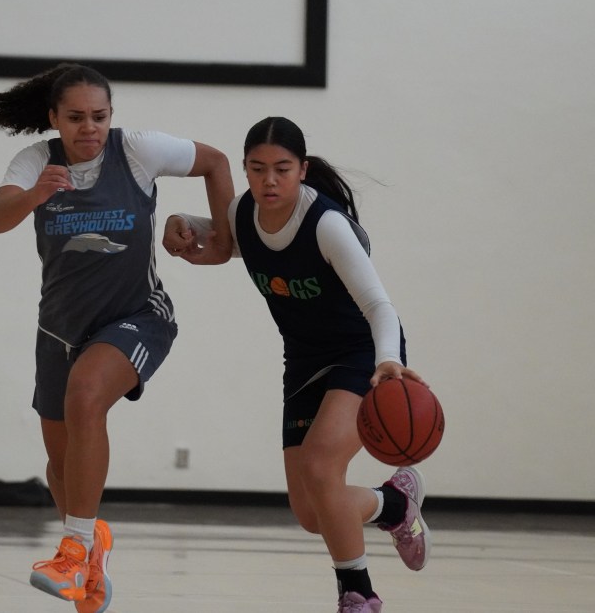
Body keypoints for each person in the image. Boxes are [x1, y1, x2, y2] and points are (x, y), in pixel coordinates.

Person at [0, 63, 234, 612]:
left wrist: (223, 241)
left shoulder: (137, 151)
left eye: (99, 116)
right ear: (54, 117)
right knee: (60, 464)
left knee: (86, 395)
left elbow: (215, 161)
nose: (89, 127)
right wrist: (34, 194)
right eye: (76, 117)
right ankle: (92, 550)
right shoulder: (36, 161)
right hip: (58, 328)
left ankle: (72, 551)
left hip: (136, 315)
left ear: (111, 116)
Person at [163, 116, 430, 613]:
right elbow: (222, 238)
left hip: (362, 354)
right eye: (257, 168)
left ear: (302, 170)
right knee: (312, 512)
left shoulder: (326, 225)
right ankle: (394, 504)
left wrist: (389, 360)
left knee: (320, 465)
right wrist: (180, 220)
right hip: (304, 361)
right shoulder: (243, 213)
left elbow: (380, 306)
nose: (269, 180)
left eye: (282, 169)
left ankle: (358, 594)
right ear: (245, 169)